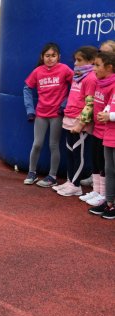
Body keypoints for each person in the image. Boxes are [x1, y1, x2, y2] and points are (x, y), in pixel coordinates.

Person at [23, 43, 73, 187]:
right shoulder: (38, 71)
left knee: (53, 145)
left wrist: (64, 105)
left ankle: (52, 176)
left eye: (53, 56)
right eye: (47, 56)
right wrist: (30, 110)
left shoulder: (64, 69)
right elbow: (26, 88)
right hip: (41, 114)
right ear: (42, 57)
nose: (50, 59)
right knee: (37, 144)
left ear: (59, 57)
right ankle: (32, 173)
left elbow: (77, 87)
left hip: (56, 114)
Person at [53, 46, 98, 197]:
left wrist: (81, 123)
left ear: (91, 61)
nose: (76, 64)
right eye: (75, 60)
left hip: (80, 124)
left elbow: (90, 104)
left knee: (79, 155)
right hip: (69, 119)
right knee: (70, 153)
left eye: (79, 60)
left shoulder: (91, 78)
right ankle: (70, 180)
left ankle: (76, 185)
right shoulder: (77, 76)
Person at [80, 40, 115, 189]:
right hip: (99, 129)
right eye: (100, 52)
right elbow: (94, 103)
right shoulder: (99, 80)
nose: (101, 55)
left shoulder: (111, 83)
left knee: (108, 167)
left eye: (106, 52)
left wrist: (109, 116)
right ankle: (100, 192)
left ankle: (106, 198)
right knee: (99, 161)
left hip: (108, 131)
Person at [88, 51, 115, 219]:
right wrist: (105, 112)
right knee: (109, 170)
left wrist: (109, 116)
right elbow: (110, 104)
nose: (94, 68)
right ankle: (110, 202)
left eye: (97, 65)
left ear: (109, 68)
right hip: (109, 134)